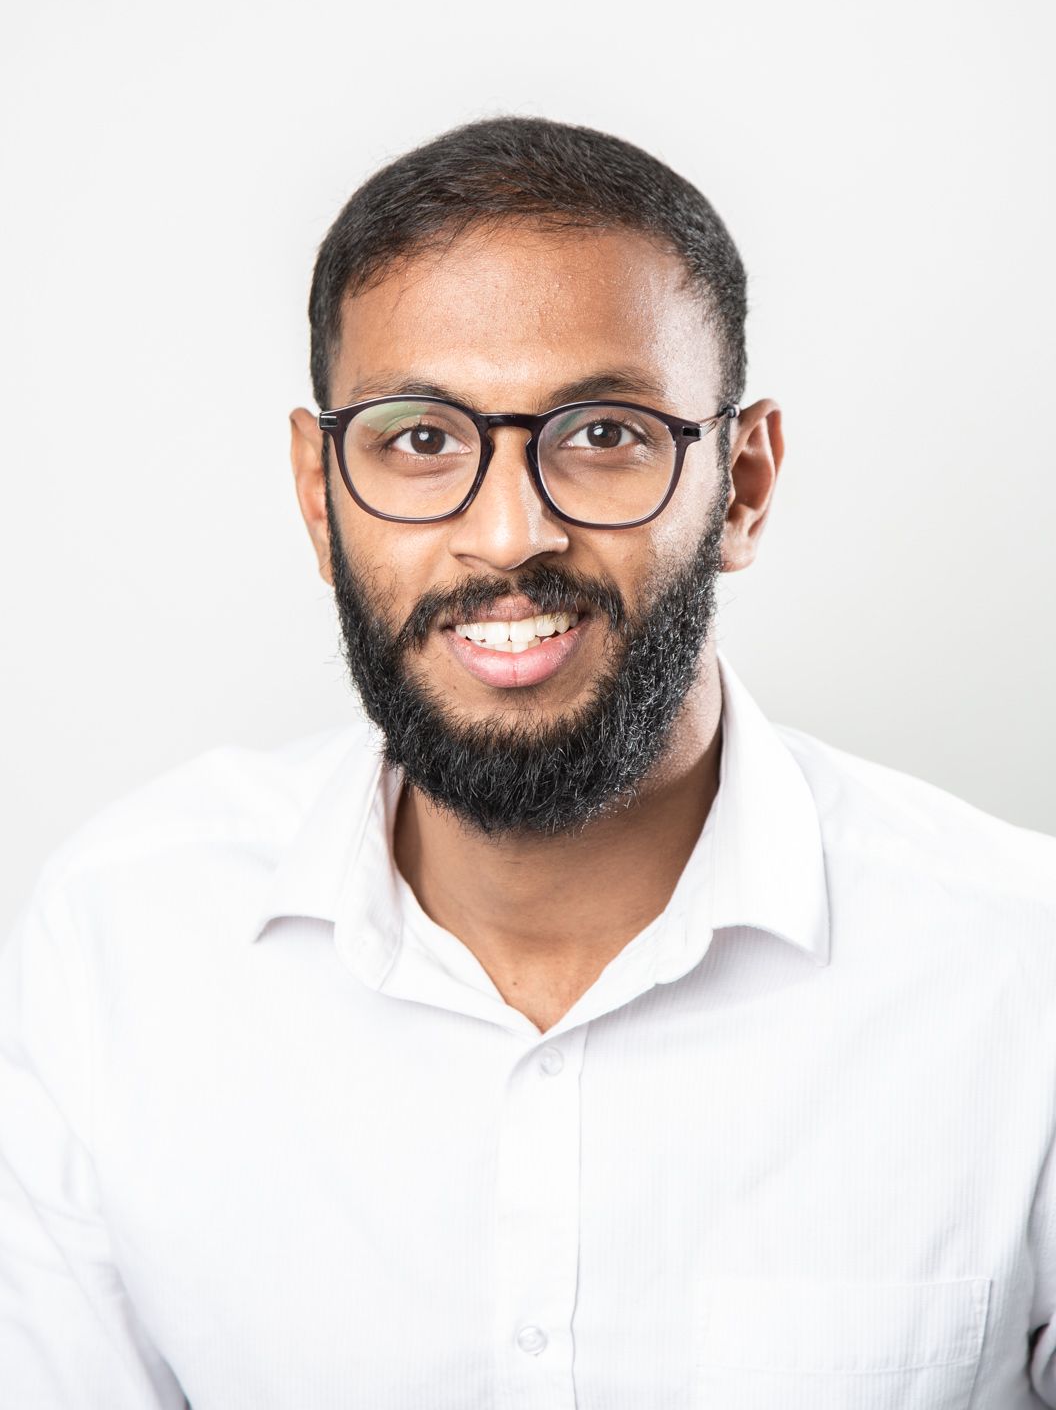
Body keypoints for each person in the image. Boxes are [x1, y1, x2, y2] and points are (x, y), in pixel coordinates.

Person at [1, 116, 1054, 1410]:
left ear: (748, 484)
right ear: (318, 493)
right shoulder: (121, 948)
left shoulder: (1022, 982)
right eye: (422, 441)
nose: (509, 534)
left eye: (606, 434)